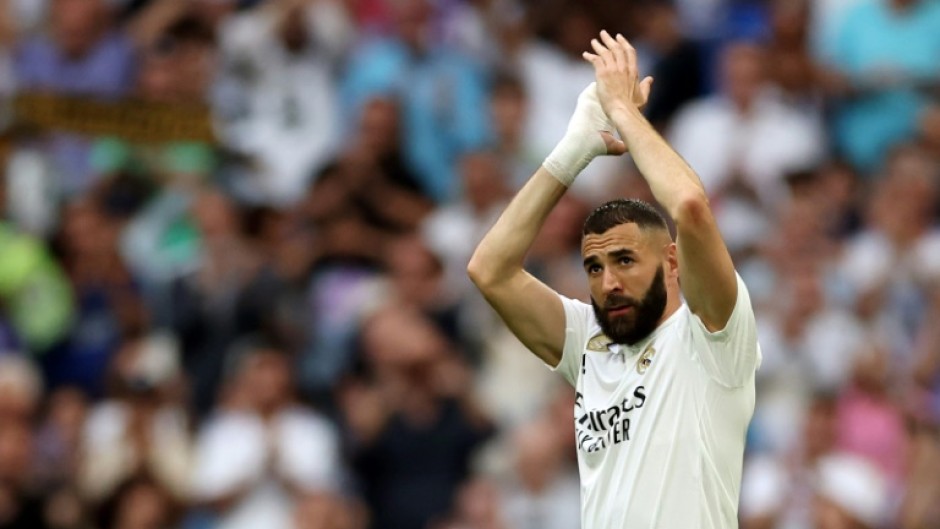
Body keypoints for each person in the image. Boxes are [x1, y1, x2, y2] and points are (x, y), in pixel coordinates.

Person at [467, 31, 761, 528]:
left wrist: (623, 111)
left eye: (626, 260)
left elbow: (688, 206)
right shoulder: (590, 346)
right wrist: (573, 149)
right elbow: (489, 270)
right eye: (595, 267)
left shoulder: (713, 339)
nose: (607, 282)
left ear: (672, 262)